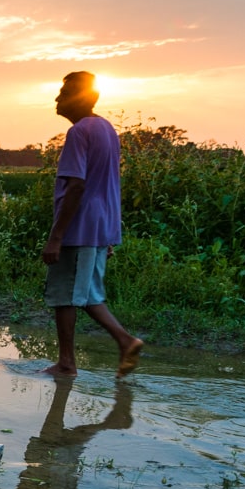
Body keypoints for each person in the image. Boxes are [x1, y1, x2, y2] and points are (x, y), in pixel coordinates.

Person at [42, 71, 144, 378]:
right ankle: (126, 342)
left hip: (79, 228)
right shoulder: (106, 129)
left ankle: (66, 363)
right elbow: (107, 184)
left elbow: (76, 187)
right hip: (99, 227)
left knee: (65, 295)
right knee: (87, 295)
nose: (57, 99)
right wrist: (107, 235)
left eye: (63, 93)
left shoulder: (79, 133)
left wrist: (56, 237)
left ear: (77, 99)